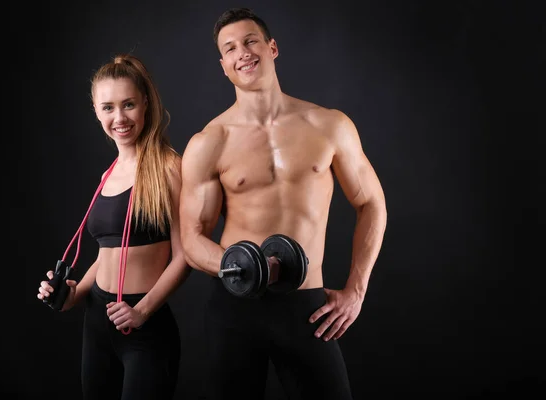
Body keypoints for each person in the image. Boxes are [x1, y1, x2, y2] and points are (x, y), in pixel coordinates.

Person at [179, 8, 387, 400]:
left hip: (307, 306)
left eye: (250, 40)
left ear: (272, 47)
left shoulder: (329, 125)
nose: (243, 52)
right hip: (236, 307)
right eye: (230, 48)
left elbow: (372, 202)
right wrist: (237, 268)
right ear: (224, 66)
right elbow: (191, 237)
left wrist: (356, 291)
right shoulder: (210, 142)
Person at [36, 53, 190, 400]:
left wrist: (142, 311)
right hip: (96, 325)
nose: (119, 117)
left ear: (145, 103)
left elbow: (186, 256)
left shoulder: (168, 167)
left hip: (144, 326)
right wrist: (72, 295)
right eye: (107, 107)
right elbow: (108, 254)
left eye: (128, 104)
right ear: (95, 110)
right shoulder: (108, 173)